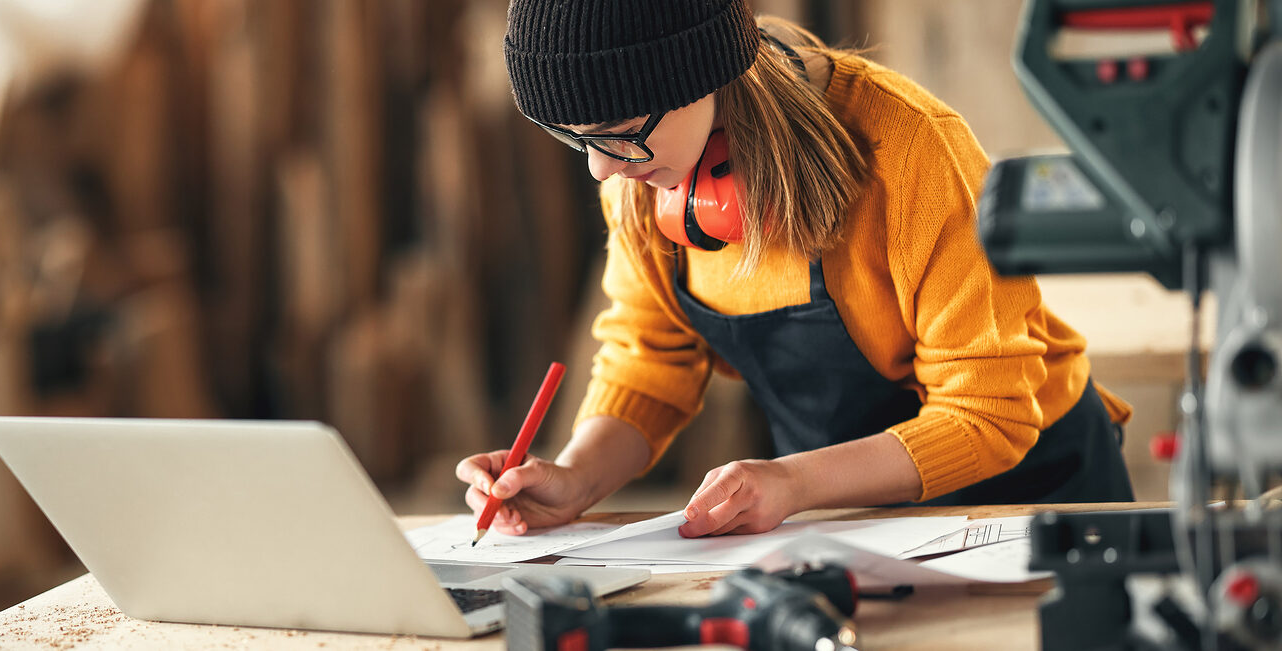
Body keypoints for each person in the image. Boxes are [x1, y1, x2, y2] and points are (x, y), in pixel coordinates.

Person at [457, 0, 1135, 539]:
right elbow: (649, 366)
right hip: (858, 526)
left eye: (617, 131)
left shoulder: (913, 149)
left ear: (699, 73)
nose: (600, 167)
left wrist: (795, 482)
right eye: (574, 136)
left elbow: (989, 410)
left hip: (1032, 503)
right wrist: (575, 476)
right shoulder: (641, 173)